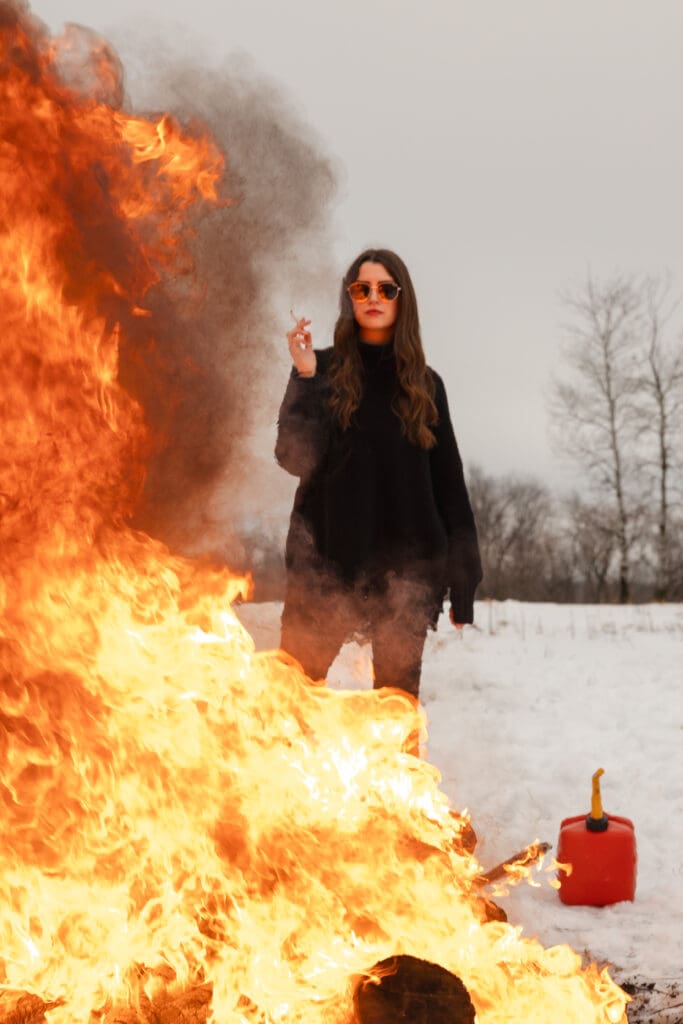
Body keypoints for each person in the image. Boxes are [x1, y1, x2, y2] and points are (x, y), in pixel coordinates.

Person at [275, 248, 482, 699]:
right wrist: (306, 377)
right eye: (361, 288)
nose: (373, 297)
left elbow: (449, 483)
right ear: (349, 298)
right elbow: (292, 457)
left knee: (397, 711)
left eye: (385, 288)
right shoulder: (321, 370)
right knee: (290, 701)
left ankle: (401, 774)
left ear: (401, 299)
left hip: (405, 575)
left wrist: (464, 579)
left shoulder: (426, 386)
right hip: (324, 568)